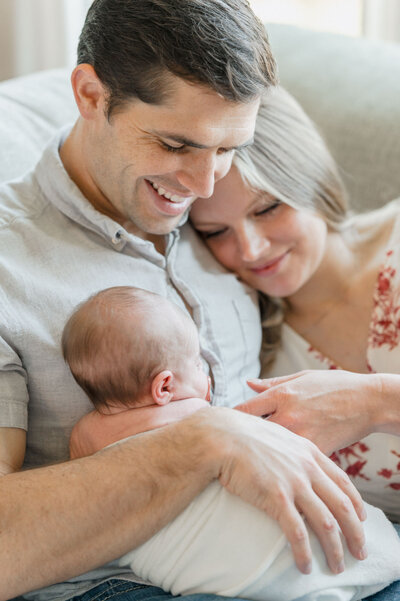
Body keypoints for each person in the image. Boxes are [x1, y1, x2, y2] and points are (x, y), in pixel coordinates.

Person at [0, 1, 368, 599]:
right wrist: (203, 440)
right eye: (175, 145)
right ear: (91, 94)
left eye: (227, 149)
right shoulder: (9, 266)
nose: (203, 185)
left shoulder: (223, 222)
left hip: (307, 558)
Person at [58, 285, 400, 601]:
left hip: (199, 572)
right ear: (164, 387)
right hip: (264, 564)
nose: (203, 373)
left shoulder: (84, 436)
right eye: (194, 363)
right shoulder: (194, 413)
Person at [190, 85, 400, 530]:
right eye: (215, 232)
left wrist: (375, 401)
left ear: (313, 177)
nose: (250, 248)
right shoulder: (251, 355)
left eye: (267, 208)